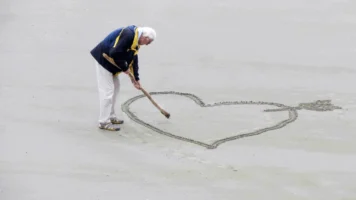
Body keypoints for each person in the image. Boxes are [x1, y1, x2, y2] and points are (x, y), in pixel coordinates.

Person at [90, 25, 156, 131]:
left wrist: (136, 79)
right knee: (107, 93)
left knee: (115, 89)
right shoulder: (129, 35)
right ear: (145, 38)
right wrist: (124, 67)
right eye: (148, 43)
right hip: (103, 60)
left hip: (112, 64)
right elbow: (114, 53)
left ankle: (111, 116)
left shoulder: (136, 40)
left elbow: (134, 58)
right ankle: (103, 122)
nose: (147, 45)